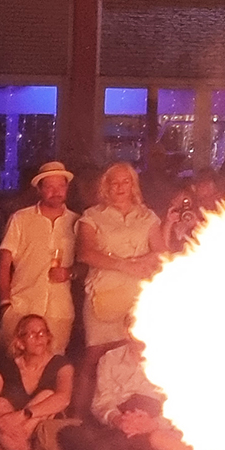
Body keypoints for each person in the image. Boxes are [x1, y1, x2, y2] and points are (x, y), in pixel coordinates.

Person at [78, 159, 163, 378]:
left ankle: (126, 399)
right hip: (103, 294)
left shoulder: (147, 216)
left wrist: (140, 261)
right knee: (96, 356)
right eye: (114, 183)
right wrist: (124, 265)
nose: (120, 187)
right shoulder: (92, 216)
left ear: (133, 185)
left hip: (138, 297)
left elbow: (162, 253)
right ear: (105, 186)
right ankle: (82, 401)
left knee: (137, 356)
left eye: (126, 182)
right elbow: (86, 253)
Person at [0, 313, 75, 450]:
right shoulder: (6, 367)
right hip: (9, 434)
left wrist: (22, 415)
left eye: (42, 332)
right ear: (20, 343)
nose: (39, 337)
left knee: (47, 395)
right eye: (32, 334)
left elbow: (64, 398)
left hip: (42, 434)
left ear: (48, 338)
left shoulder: (61, 364)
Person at [81, 334, 191, 450]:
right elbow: (102, 402)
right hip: (124, 419)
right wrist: (119, 420)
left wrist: (153, 424)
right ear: (127, 332)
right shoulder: (110, 359)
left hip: (160, 423)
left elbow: (185, 407)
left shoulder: (174, 358)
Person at [0, 162, 78, 354]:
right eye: (50, 186)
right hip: (22, 307)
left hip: (59, 311)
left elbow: (84, 264)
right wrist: (5, 305)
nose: (56, 192)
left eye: (61, 186)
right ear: (39, 189)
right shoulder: (21, 219)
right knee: (13, 364)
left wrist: (69, 273)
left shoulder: (77, 221)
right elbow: (4, 264)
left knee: (53, 364)